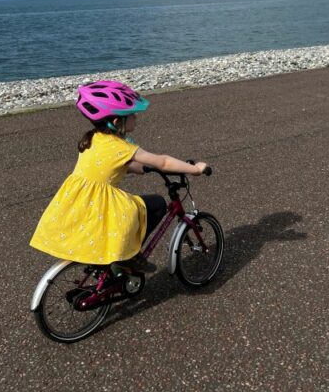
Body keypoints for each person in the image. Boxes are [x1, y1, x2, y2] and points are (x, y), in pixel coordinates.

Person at [30, 80, 207, 274]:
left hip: (78, 200)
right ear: (117, 122)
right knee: (156, 204)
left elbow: (106, 164)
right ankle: (130, 256)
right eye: (132, 114)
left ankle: (114, 263)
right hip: (101, 202)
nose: (136, 117)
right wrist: (195, 169)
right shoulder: (122, 147)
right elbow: (163, 162)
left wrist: (131, 168)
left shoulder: (91, 138)